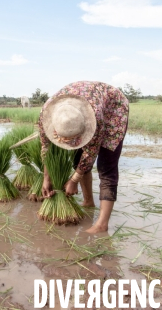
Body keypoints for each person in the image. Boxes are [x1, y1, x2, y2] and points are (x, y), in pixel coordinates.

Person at [39, 81, 129, 234]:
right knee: (77, 159)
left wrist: (73, 181)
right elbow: (46, 149)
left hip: (113, 110)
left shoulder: (97, 118)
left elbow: (90, 154)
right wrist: (46, 178)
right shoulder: (46, 115)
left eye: (76, 139)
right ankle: (88, 202)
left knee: (106, 168)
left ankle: (101, 225)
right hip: (83, 105)